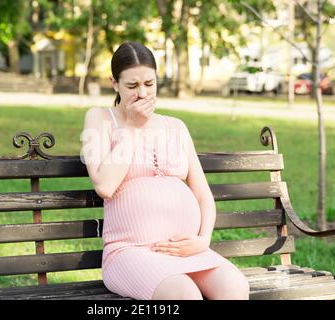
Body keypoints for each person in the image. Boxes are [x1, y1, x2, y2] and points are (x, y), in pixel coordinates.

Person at [80, 41, 249, 300]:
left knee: (235, 286)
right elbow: (105, 186)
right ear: (114, 83)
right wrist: (133, 128)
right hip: (129, 252)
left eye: (149, 84)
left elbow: (203, 196)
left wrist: (203, 239)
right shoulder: (100, 119)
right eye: (132, 86)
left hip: (186, 251)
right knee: (183, 294)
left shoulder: (176, 126)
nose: (143, 93)